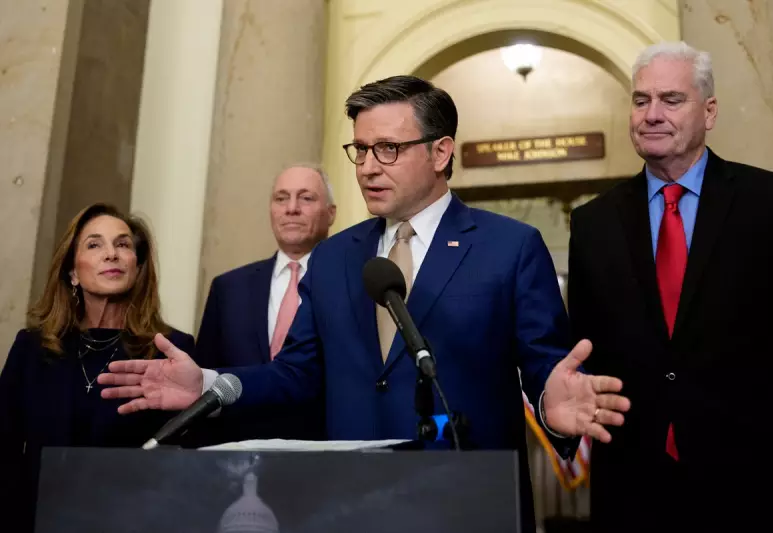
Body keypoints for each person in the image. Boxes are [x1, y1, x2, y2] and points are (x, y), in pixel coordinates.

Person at [99, 75, 630, 530]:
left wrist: (553, 412)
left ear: (441, 152)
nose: (369, 167)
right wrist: (211, 384)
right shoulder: (333, 258)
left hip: (464, 500)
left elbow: (543, 367)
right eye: (361, 150)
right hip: (347, 504)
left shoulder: (509, 248)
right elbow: (299, 373)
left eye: (389, 149)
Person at [567, 41, 773, 531]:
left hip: (756, 480)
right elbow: (583, 348)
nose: (652, 115)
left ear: (709, 111)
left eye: (671, 100)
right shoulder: (593, 224)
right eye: (640, 100)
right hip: (633, 487)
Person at [0, 203, 196, 532]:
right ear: (72, 272)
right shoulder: (32, 349)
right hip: (35, 521)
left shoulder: (171, 350)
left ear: (138, 266)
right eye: (94, 244)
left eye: (123, 244)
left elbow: (181, 467)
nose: (111, 254)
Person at [191, 164, 336, 444]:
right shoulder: (228, 288)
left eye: (306, 198)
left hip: (323, 454)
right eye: (281, 198)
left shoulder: (352, 283)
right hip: (238, 454)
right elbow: (205, 382)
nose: (291, 208)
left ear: (331, 213)